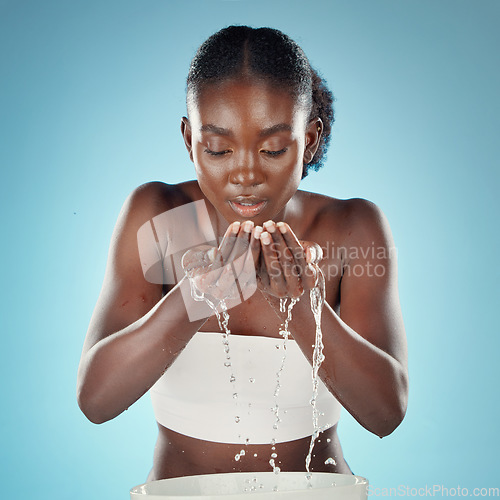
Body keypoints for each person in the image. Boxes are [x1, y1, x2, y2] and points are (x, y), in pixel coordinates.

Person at [77, 25, 408, 481]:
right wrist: (194, 301)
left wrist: (305, 308)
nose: (245, 173)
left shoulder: (353, 228)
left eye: (272, 149)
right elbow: (96, 400)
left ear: (309, 140)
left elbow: (386, 414)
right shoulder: (156, 215)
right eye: (217, 149)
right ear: (189, 140)